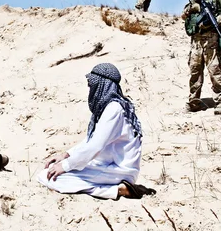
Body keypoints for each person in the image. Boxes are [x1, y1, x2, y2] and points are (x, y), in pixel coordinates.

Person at [38, 63, 155, 200]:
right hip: (107, 166)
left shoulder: (114, 109)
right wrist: (66, 155)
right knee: (52, 169)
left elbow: (95, 146)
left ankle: (118, 190)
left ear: (101, 85)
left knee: (49, 178)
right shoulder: (110, 107)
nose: (90, 88)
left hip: (119, 170)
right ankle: (121, 188)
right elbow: (91, 141)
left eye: (92, 85)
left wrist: (66, 165)